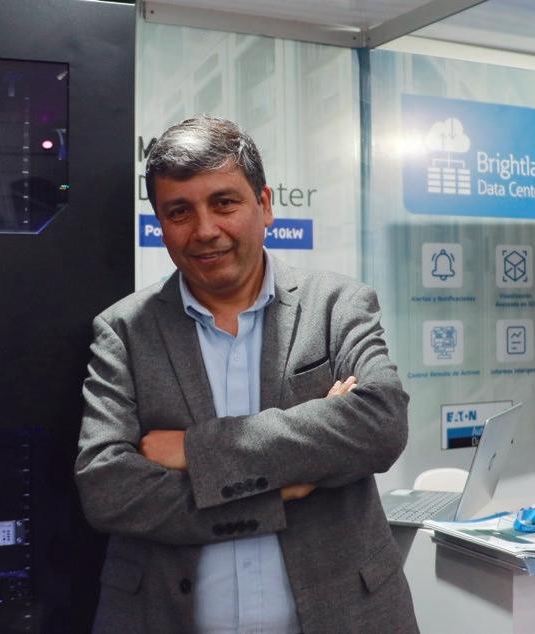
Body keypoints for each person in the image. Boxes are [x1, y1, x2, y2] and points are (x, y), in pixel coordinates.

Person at [76, 116, 417, 633]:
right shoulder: (123, 330)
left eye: (224, 203)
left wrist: (195, 450)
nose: (204, 230)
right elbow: (108, 489)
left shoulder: (336, 305)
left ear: (265, 204)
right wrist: (275, 492)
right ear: (160, 223)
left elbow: (380, 425)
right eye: (179, 212)